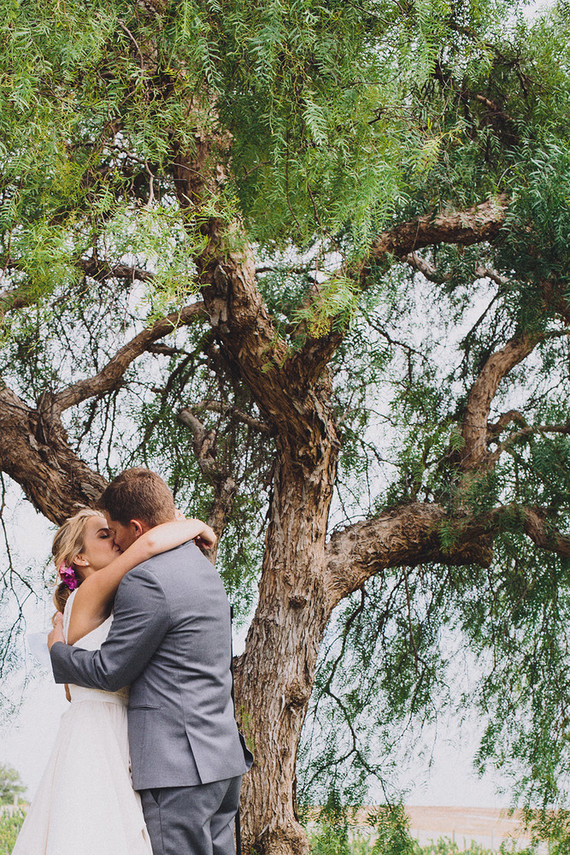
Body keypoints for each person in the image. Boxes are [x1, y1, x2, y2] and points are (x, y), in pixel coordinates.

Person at [49, 467, 253, 855]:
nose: (117, 541)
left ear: (137, 528)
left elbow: (110, 670)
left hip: (179, 767)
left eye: (114, 530)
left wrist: (57, 652)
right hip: (222, 761)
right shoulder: (203, 568)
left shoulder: (146, 580)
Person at [14, 506, 215, 855]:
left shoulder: (108, 600)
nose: (117, 541)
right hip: (97, 735)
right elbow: (148, 545)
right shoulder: (90, 593)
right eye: (104, 535)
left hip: (114, 727)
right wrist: (194, 524)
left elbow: (70, 691)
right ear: (79, 556)